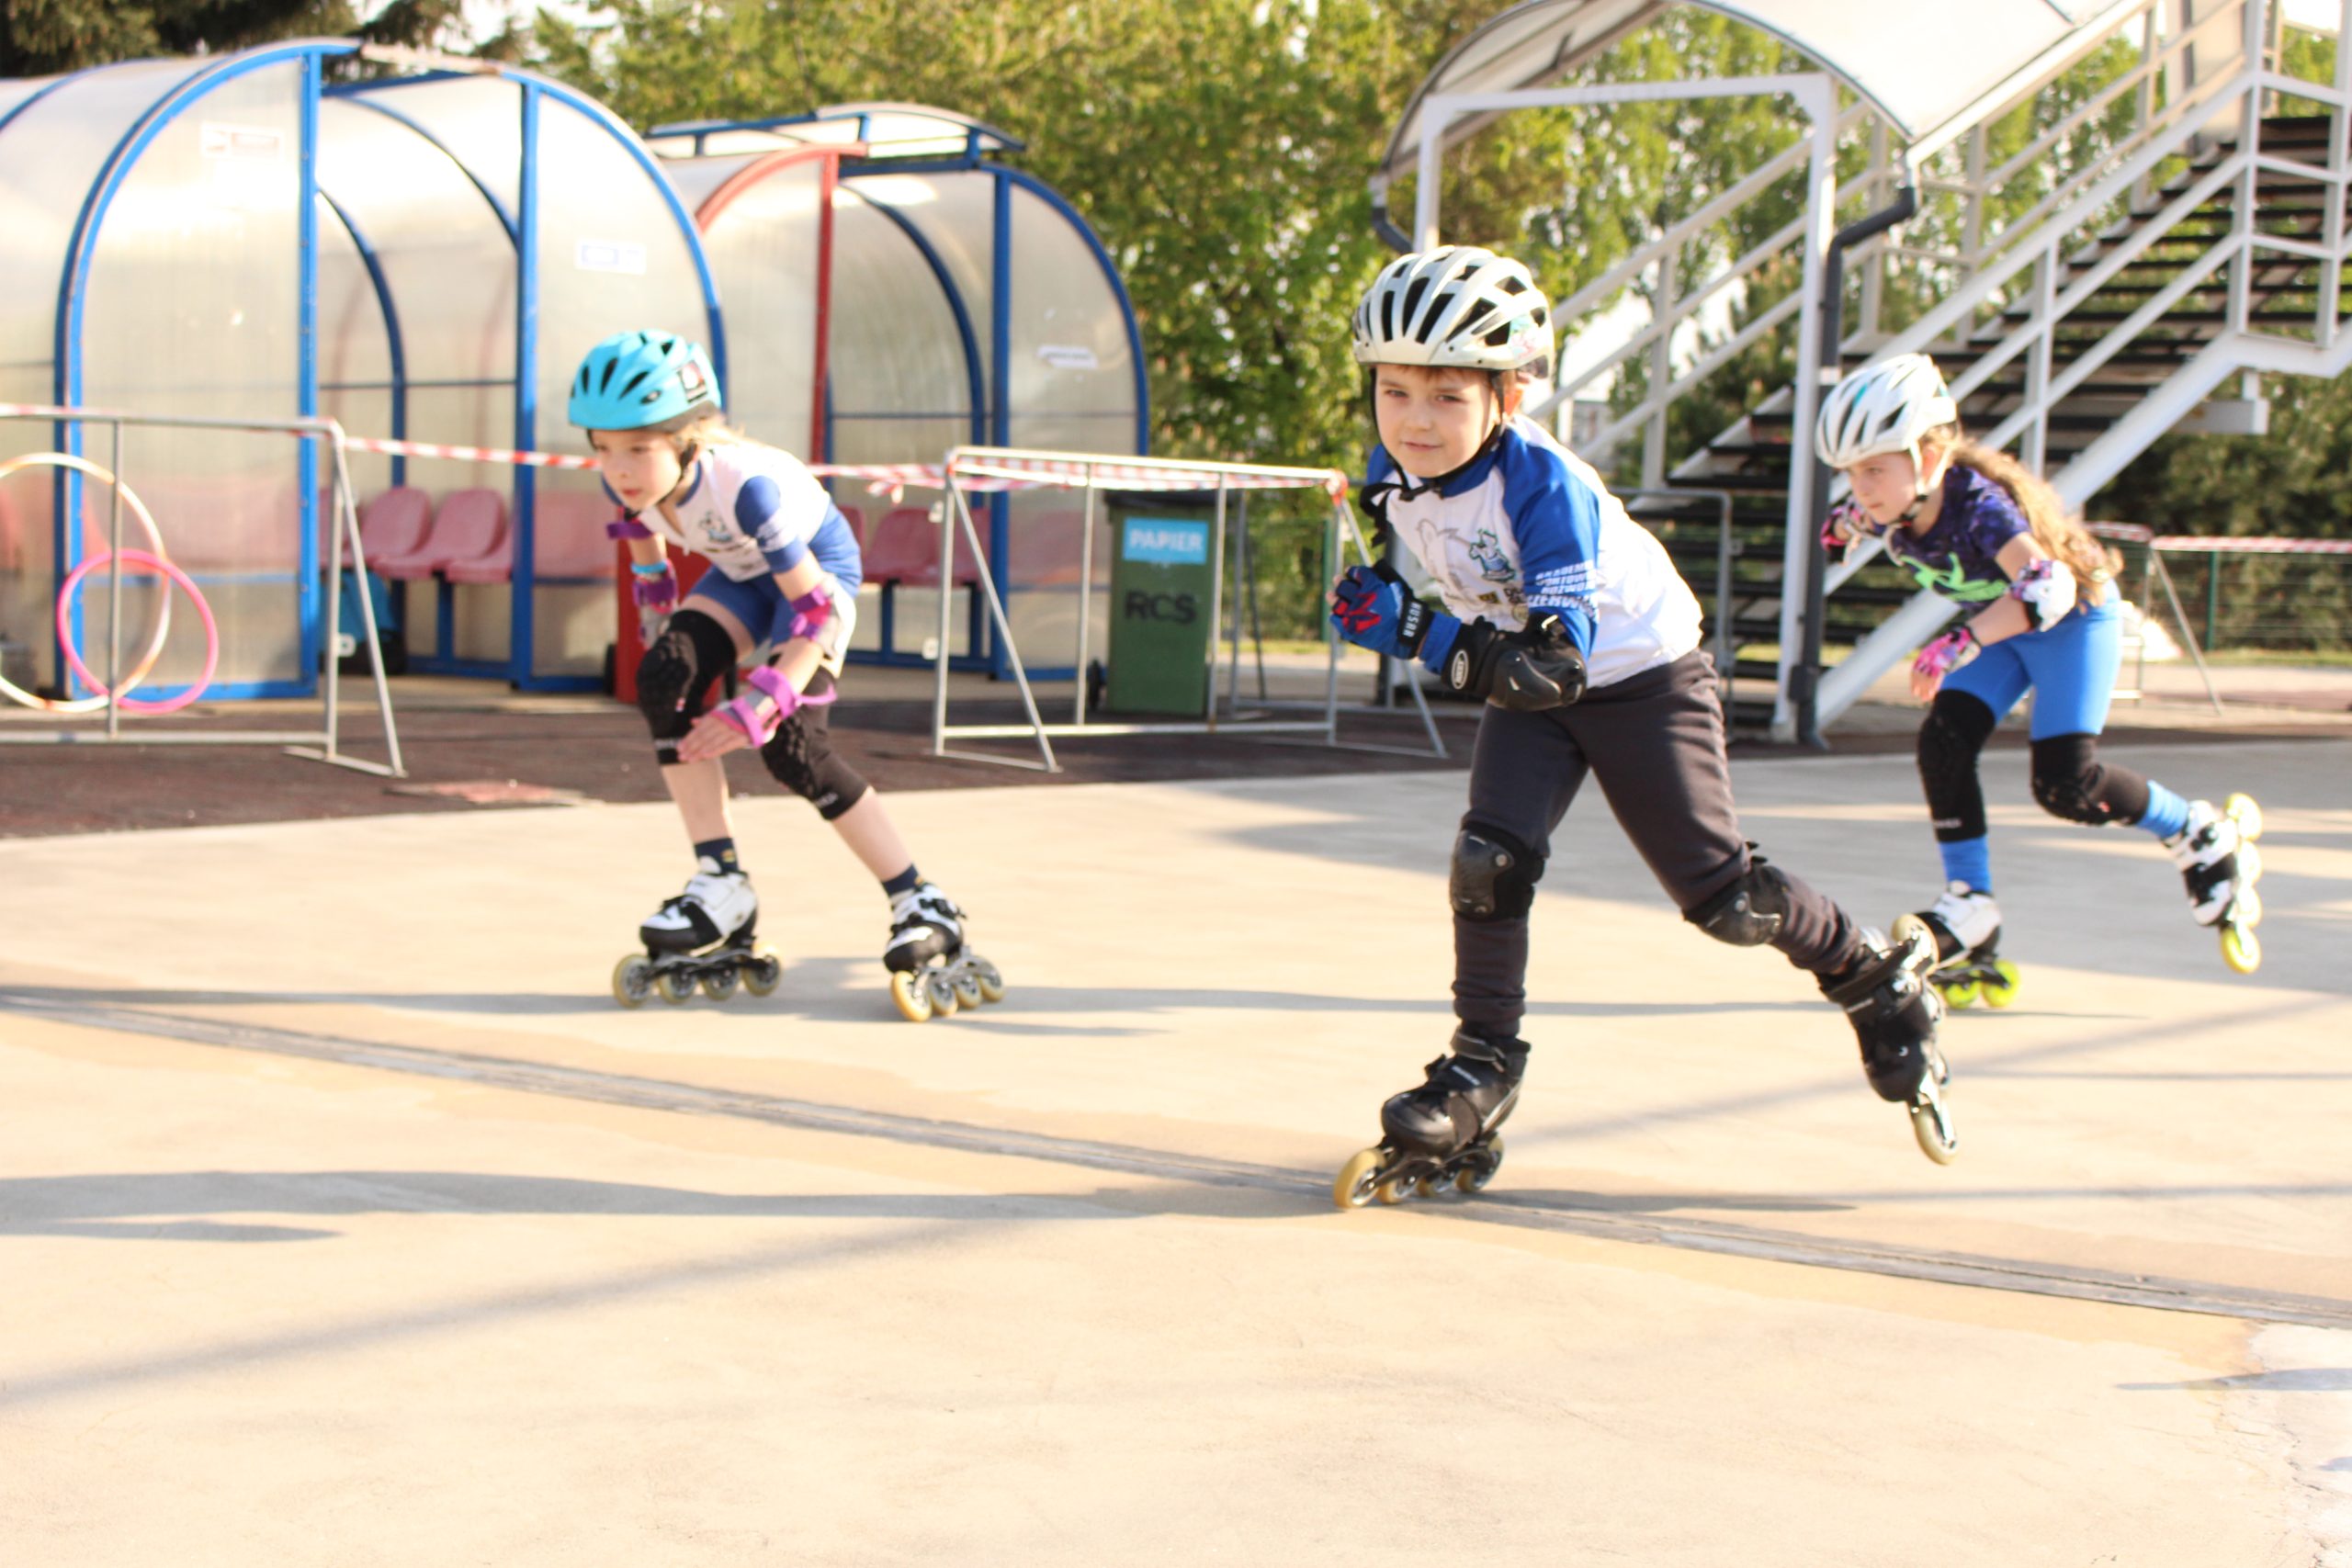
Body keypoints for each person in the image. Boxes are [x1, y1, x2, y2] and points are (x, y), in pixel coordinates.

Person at [1326, 247, 1957, 1206]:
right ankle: (1481, 1065)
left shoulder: (1547, 492)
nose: (1414, 419)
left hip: (1639, 679)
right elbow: (1409, 553)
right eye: (1396, 390)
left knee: (1724, 901)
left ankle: (1870, 973)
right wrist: (1377, 590)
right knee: (1488, 861)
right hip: (1523, 674)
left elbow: (1548, 670)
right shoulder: (1390, 472)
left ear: (1509, 394)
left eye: (1447, 396)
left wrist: (1412, 627)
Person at [571, 329, 996, 1021]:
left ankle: (920, 897)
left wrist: (758, 705)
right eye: (602, 448)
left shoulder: (748, 489)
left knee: (792, 746)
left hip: (816, 579)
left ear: (687, 437)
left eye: (638, 448)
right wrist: (666, 660)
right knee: (663, 678)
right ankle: (720, 880)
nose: (619, 468)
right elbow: (651, 569)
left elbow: (817, 615)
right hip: (742, 576)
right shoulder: (636, 486)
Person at [1816, 354, 2266, 994]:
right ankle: (1970, 904)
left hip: (2071, 620)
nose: (1860, 487)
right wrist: (1847, 527)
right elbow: (1850, 527)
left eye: (1873, 468)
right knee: (1943, 741)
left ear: (1929, 455)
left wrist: (1959, 642)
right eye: (1850, 473)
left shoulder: (1977, 505)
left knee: (2066, 785)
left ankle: (2198, 829)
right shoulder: (1894, 504)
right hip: (2005, 627)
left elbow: (2046, 588)